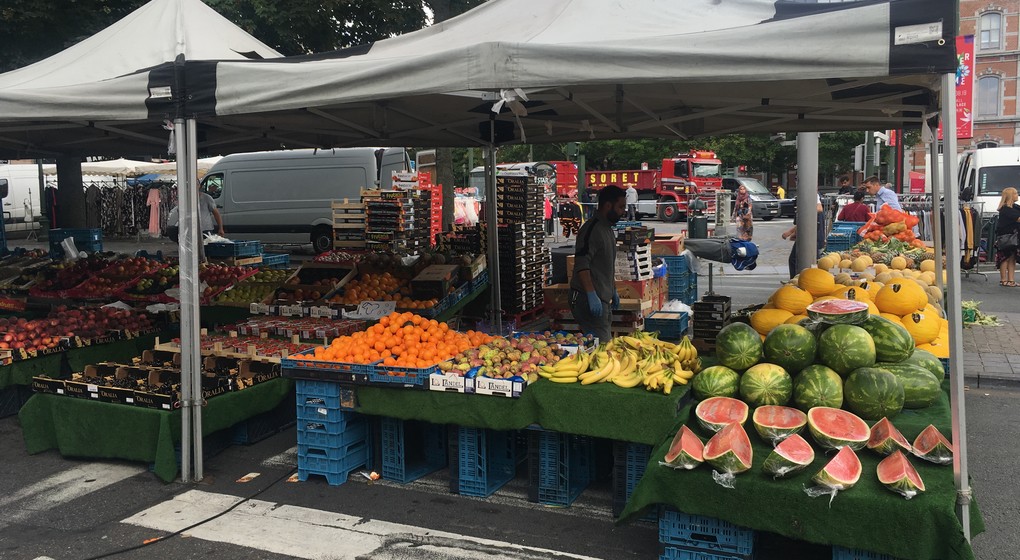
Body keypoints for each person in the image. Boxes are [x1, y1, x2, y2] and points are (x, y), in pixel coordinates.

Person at [570, 185, 627, 342]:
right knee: (603, 345)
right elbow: (582, 263)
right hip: (586, 298)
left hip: (603, 298)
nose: (623, 211)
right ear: (608, 205)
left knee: (602, 340)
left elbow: (606, 265)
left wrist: (613, 289)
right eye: (620, 207)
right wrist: (591, 294)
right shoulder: (591, 230)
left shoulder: (607, 228)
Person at [782, 195, 824, 278]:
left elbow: (818, 209)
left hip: (810, 235)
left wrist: (791, 232)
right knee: (813, 259)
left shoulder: (811, 195)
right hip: (810, 234)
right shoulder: (810, 196)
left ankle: (796, 280)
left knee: (794, 259)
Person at [995, 187, 1020, 286]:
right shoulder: (1005, 209)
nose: (1017, 195)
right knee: (1005, 258)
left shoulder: (1015, 207)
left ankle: (1011, 280)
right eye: (1015, 193)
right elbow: (1018, 219)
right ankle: (1003, 279)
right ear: (1010, 196)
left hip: (1014, 235)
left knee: (1012, 257)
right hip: (1006, 236)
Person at [198, 186, 225, 262]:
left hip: (206, 230)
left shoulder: (207, 198)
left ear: (199, 186)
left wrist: (221, 228)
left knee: (207, 252)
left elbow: (216, 214)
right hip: (191, 230)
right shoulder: (186, 198)